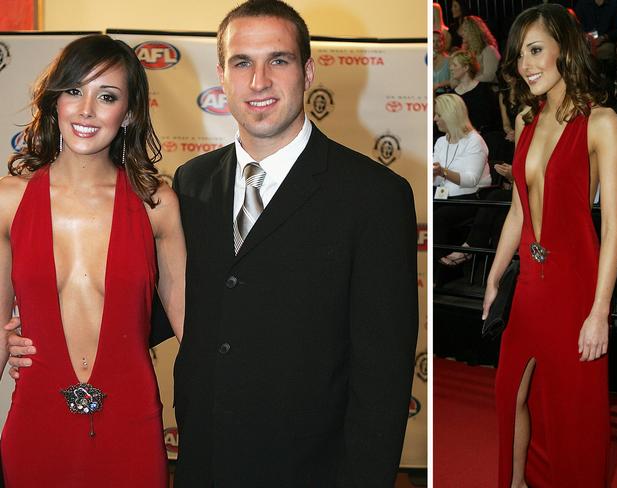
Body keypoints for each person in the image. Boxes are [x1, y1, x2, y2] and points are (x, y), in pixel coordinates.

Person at [4, 2, 419, 487]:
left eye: (278, 60)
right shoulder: (193, 183)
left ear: (307, 72)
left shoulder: (373, 195)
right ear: (222, 76)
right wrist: (45, 334)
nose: (259, 81)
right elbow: (170, 305)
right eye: (242, 62)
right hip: (204, 459)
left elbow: (384, 373)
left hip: (311, 468)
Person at [0, 35, 185, 486]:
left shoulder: (156, 203)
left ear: (129, 113)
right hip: (35, 422)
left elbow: (197, 336)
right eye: (73, 91)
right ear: (55, 101)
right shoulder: (8, 201)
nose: (86, 110)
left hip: (133, 424)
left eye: (107, 96)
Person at [484, 4, 617, 487]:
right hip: (530, 285)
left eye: (537, 50)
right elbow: (518, 211)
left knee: (574, 409)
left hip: (575, 286)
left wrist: (600, 310)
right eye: (520, 55)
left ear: (566, 48)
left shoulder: (602, 122)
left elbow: (612, 230)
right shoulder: (526, 119)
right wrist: (495, 274)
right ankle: (518, 482)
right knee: (510, 393)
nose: (527, 65)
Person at [432, 93, 490, 266]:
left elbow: (471, 180)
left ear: (450, 116)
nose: (435, 119)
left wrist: (443, 172)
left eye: (438, 115)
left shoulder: (475, 141)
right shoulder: (441, 142)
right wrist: (434, 174)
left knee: (438, 217)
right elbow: (436, 182)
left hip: (469, 199)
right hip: (443, 196)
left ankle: (440, 270)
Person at [450, 49, 501, 133]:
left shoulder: (484, 90)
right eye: (451, 65)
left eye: (454, 65)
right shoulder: (452, 94)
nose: (451, 68)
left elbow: (494, 119)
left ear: (466, 67)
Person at [459, 15, 502, 83]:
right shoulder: (469, 50)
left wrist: (470, 82)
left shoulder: (489, 50)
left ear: (473, 32)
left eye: (465, 30)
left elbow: (490, 76)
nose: (461, 33)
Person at [432, 29, 451, 93]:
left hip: (445, 96)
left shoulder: (450, 60)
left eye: (439, 41)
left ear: (443, 42)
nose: (435, 44)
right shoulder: (425, 60)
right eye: (432, 41)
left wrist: (439, 85)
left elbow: (455, 80)